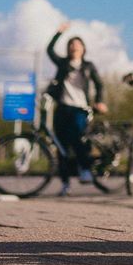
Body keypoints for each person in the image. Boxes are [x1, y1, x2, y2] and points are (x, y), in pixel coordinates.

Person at [45, 22, 107, 196]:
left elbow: (100, 85)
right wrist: (59, 33)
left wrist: (99, 101)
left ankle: (85, 169)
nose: (74, 47)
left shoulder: (88, 66)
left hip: (81, 108)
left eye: (78, 44)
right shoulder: (63, 64)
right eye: (71, 44)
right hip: (63, 108)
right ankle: (65, 184)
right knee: (62, 147)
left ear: (83, 49)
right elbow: (49, 50)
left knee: (79, 140)